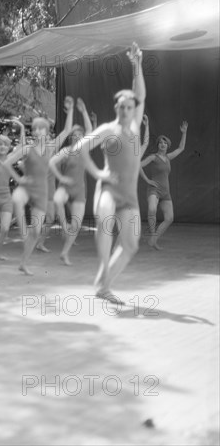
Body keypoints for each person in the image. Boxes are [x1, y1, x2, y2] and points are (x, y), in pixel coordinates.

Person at [69, 42, 146, 304]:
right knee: (105, 222)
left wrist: (137, 65)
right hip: (109, 190)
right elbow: (79, 148)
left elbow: (141, 95)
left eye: (130, 106)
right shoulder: (107, 130)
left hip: (130, 196)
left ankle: (104, 285)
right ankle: (102, 268)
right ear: (116, 108)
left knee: (131, 245)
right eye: (122, 106)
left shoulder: (135, 128)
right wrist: (98, 174)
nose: (126, 110)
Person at [7, 97, 74, 275]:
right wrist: (19, 179)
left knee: (36, 232)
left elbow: (67, 130)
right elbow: (6, 163)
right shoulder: (27, 148)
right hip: (27, 188)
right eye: (34, 128)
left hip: (42, 193)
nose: (36, 131)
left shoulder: (51, 147)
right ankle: (22, 230)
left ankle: (23, 263)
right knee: (18, 199)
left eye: (40, 128)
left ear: (47, 132)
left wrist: (71, 110)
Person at [48, 98, 94, 265]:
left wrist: (83, 111)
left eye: (79, 135)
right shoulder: (66, 151)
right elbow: (51, 162)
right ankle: (63, 225)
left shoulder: (84, 148)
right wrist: (60, 177)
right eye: (74, 135)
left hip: (79, 191)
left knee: (77, 224)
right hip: (65, 187)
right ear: (71, 138)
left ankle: (65, 253)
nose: (76, 137)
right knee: (58, 200)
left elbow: (90, 129)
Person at [140, 119, 188, 249]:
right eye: (160, 142)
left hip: (166, 192)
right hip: (154, 190)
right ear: (158, 145)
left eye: (164, 142)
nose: (162, 144)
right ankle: (152, 236)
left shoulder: (168, 157)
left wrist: (184, 132)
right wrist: (147, 180)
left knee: (170, 218)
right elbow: (138, 165)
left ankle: (153, 240)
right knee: (152, 209)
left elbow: (181, 148)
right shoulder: (153, 157)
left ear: (167, 146)